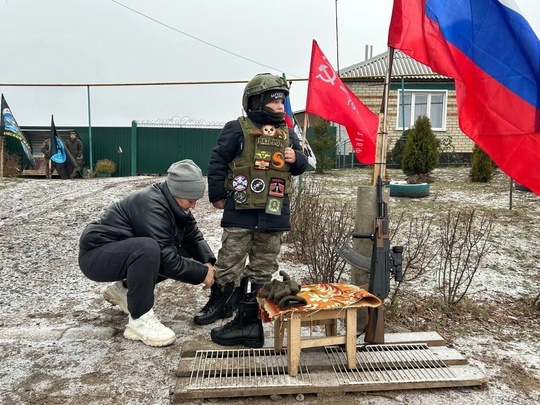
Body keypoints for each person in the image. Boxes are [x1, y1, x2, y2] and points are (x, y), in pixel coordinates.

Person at [194, 73, 308, 348]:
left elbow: (303, 165)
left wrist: (297, 159)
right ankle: (220, 303)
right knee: (229, 260)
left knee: (263, 267)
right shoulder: (236, 128)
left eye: (283, 101)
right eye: (274, 100)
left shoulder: (288, 133)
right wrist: (218, 194)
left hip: (273, 212)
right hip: (240, 210)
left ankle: (249, 317)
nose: (281, 106)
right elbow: (218, 159)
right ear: (256, 102)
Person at [79, 159, 216, 347]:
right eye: (190, 200)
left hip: (120, 253)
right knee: (148, 249)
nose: (194, 206)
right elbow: (167, 261)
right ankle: (139, 319)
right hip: (96, 256)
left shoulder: (173, 203)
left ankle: (124, 290)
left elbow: (192, 234)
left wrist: (207, 262)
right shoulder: (152, 205)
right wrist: (202, 273)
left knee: (177, 250)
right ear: (177, 192)